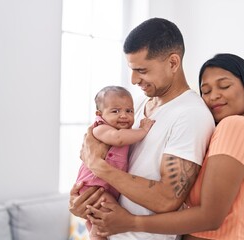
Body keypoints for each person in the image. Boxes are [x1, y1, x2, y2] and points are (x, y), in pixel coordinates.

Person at [85, 53, 244, 240]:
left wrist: (131, 222)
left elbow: (209, 217)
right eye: (206, 91)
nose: (213, 96)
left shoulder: (235, 126)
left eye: (224, 86)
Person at [69, 18, 215, 240]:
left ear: (173, 63)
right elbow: (94, 151)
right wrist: (83, 203)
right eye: (132, 69)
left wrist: (98, 166)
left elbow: (167, 198)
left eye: (142, 70)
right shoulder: (133, 106)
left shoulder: (191, 115)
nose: (134, 79)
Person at [75, 85, 155, 240]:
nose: (124, 115)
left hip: (103, 186)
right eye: (115, 111)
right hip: (92, 187)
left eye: (129, 111)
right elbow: (118, 138)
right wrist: (143, 131)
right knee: (110, 212)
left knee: (102, 218)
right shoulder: (100, 129)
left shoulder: (122, 130)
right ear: (100, 114)